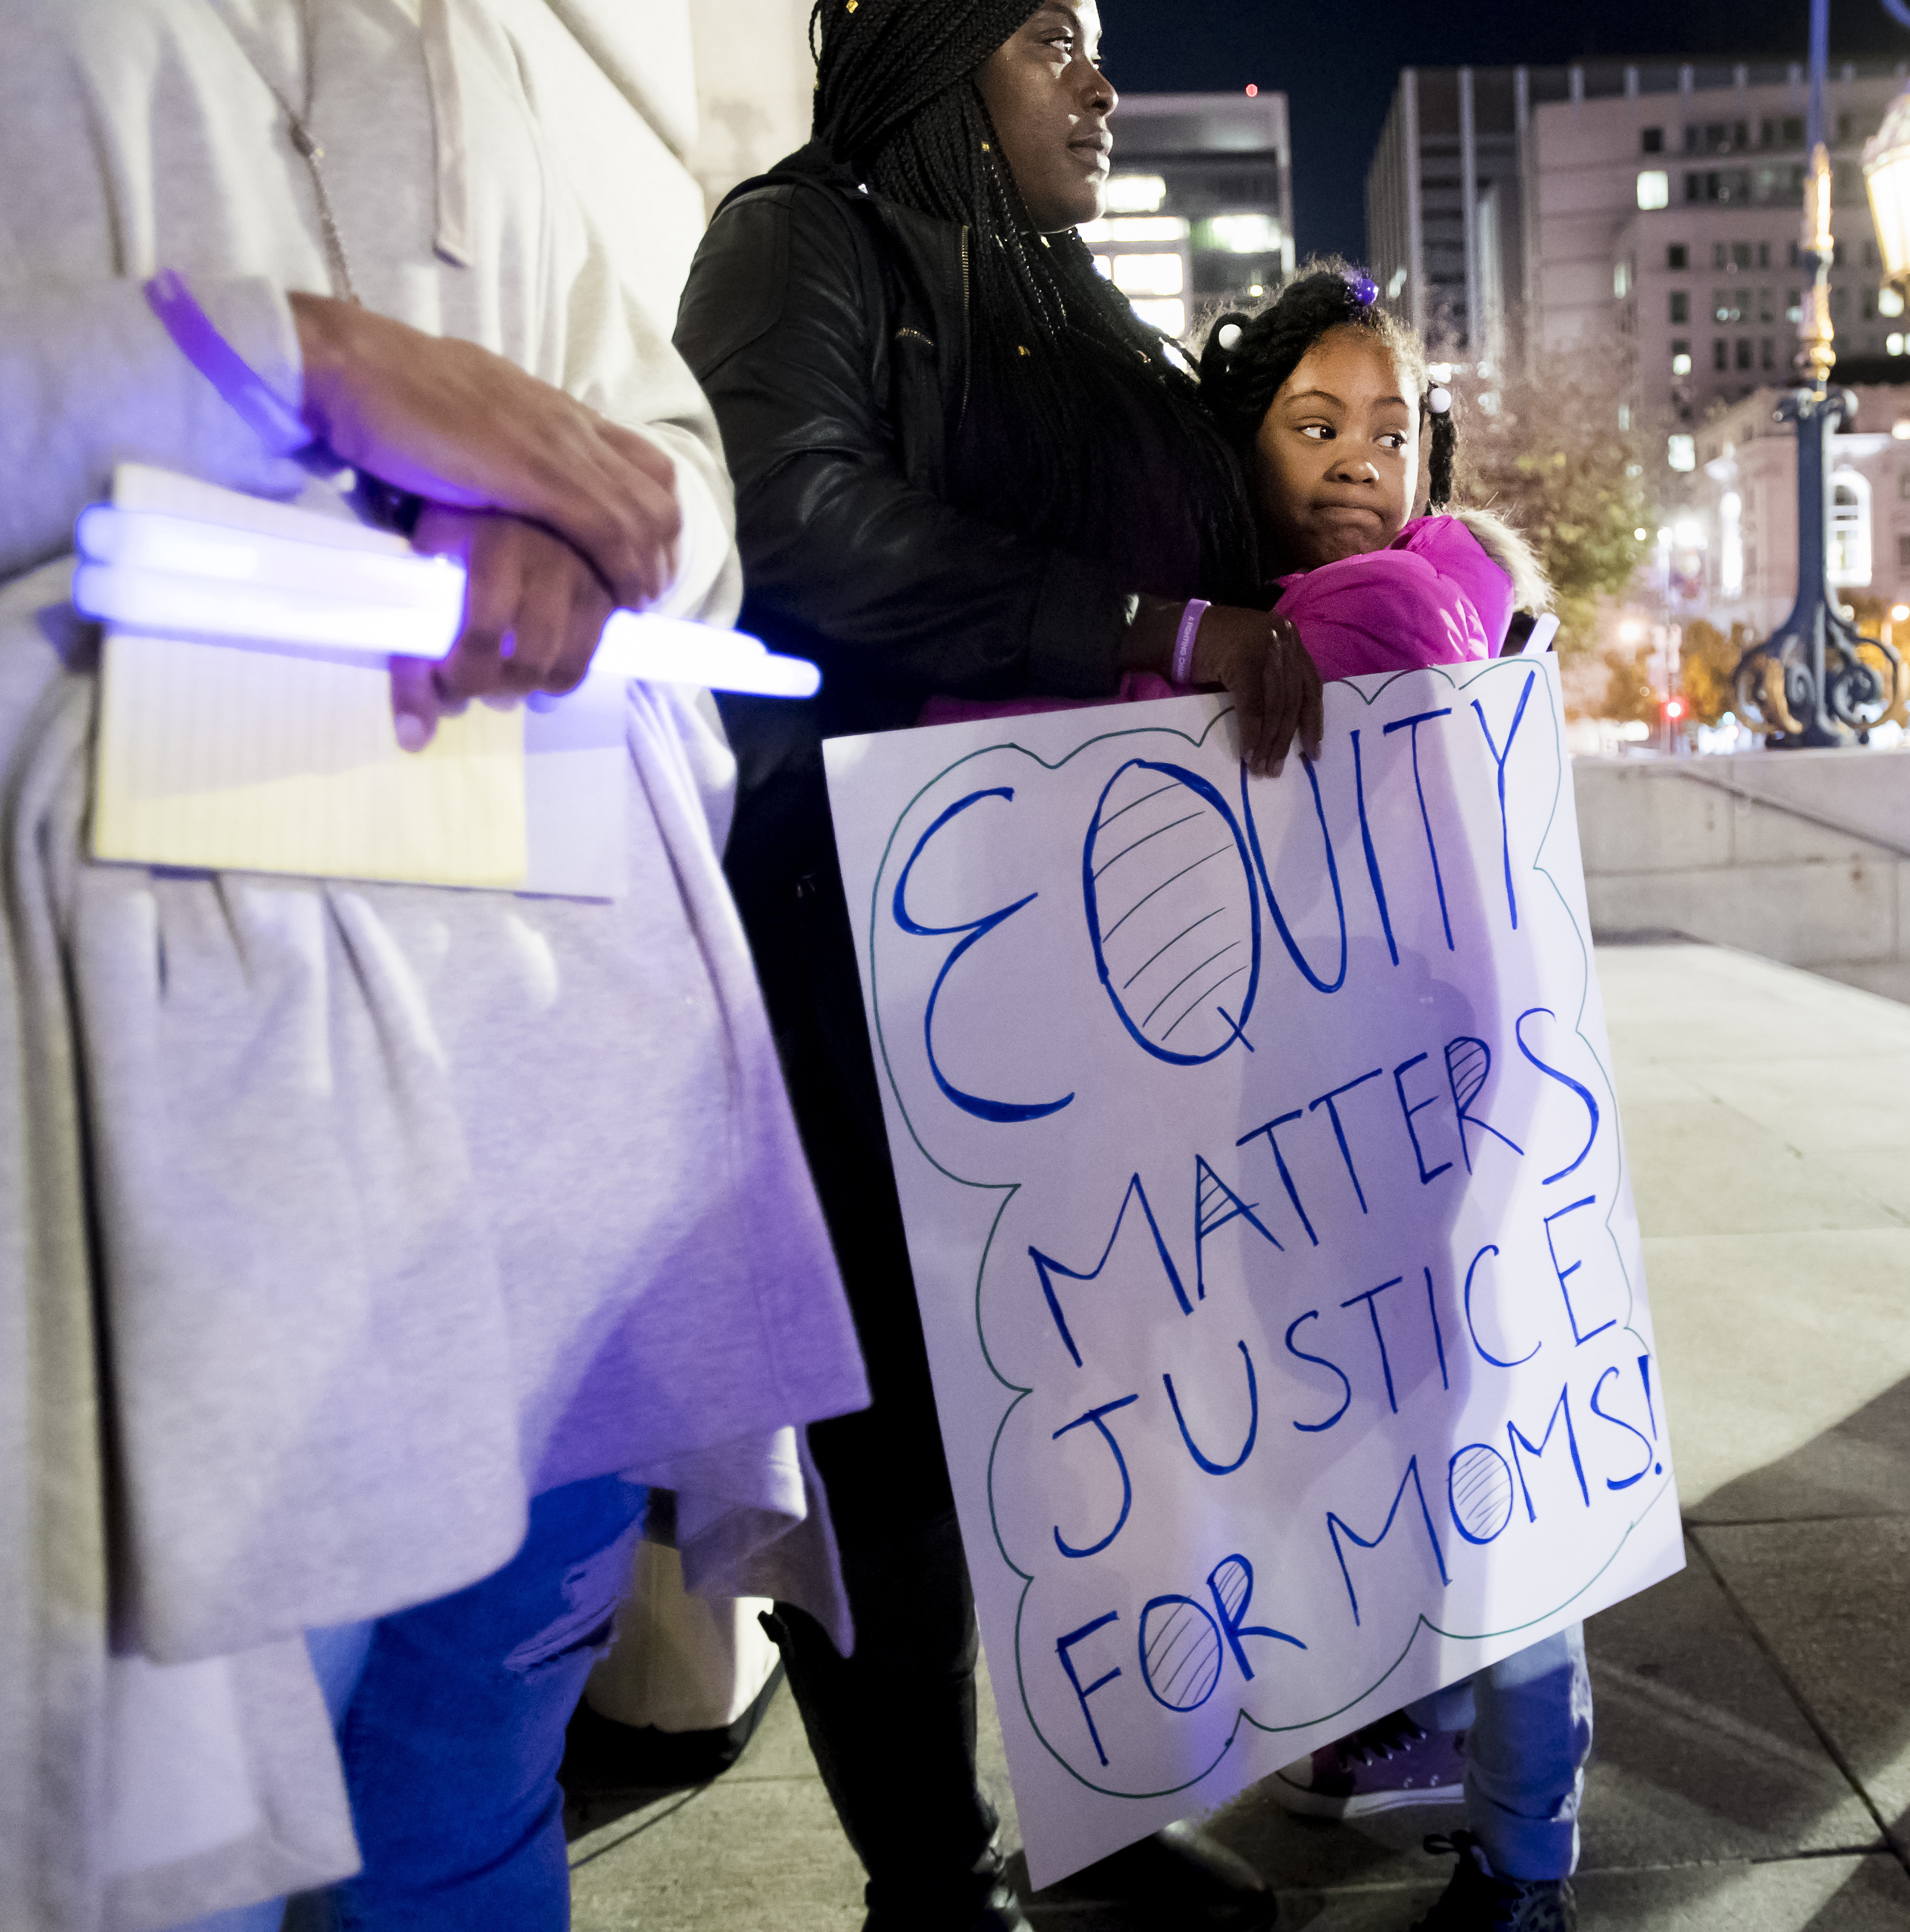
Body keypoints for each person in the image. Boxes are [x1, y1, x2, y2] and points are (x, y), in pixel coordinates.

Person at [0, 3, 869, 1928]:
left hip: (559, 1168)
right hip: (140, 1215)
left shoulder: (480, 40)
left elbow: (669, 469)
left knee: (467, 1832)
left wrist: (592, 530)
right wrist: (279, 369)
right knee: (149, 1875)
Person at [672, 2, 1319, 1925]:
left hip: (1089, 954)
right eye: (1053, 34)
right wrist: (1139, 622)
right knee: (897, 1461)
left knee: (1082, 1404)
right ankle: (933, 1888)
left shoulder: (1065, 297)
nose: (1102, 80)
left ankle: (1106, 1815)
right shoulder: (806, 240)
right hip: (863, 942)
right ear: (943, 51)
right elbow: (791, 522)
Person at [1188, 266, 1584, 1932]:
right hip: (1381, 1113)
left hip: (1419, 1125)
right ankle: (1429, 1741)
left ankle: (1524, 1853)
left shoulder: (1374, 611)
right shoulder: (1433, 585)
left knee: (1486, 1484)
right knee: (1419, 1454)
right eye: (1315, 423)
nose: (1359, 456)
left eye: (1387, 428)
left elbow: (1149, 734)